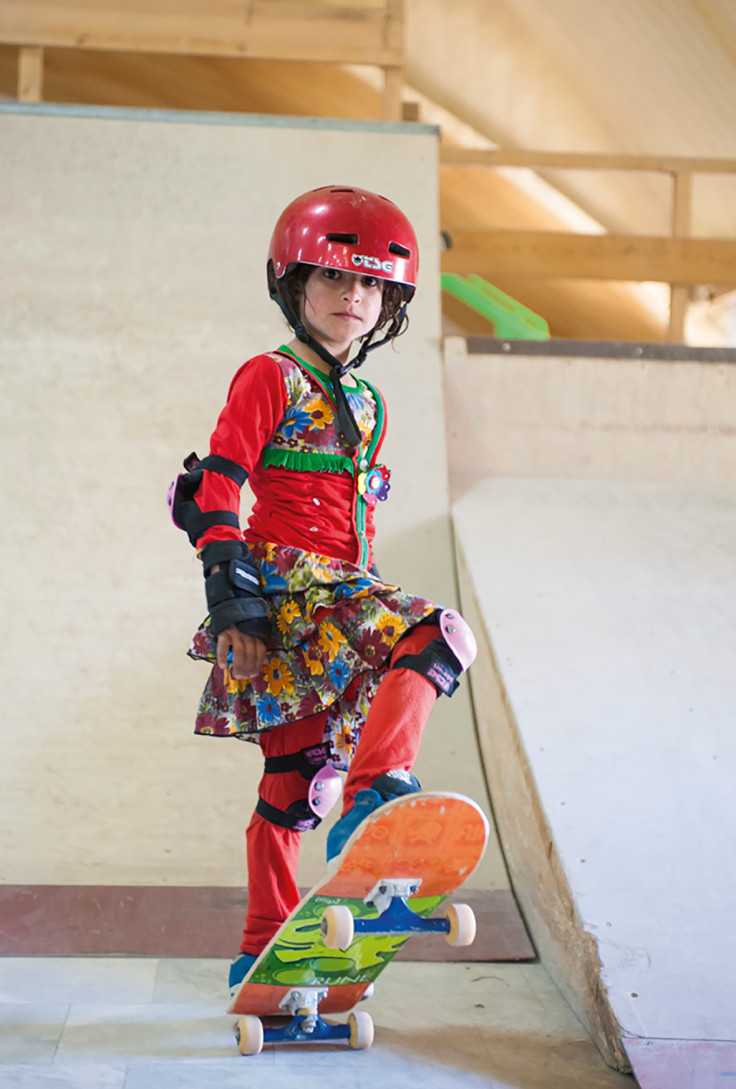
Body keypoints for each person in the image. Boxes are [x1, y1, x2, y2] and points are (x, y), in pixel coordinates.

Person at [168, 185, 477, 995]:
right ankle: (376, 790)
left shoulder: (369, 402)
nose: (354, 298)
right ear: (293, 285)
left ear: (391, 302)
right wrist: (233, 598)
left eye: (371, 285)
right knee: (436, 636)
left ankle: (261, 945)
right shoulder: (271, 375)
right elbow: (215, 487)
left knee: (297, 782)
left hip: (344, 591)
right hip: (283, 591)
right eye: (335, 279)